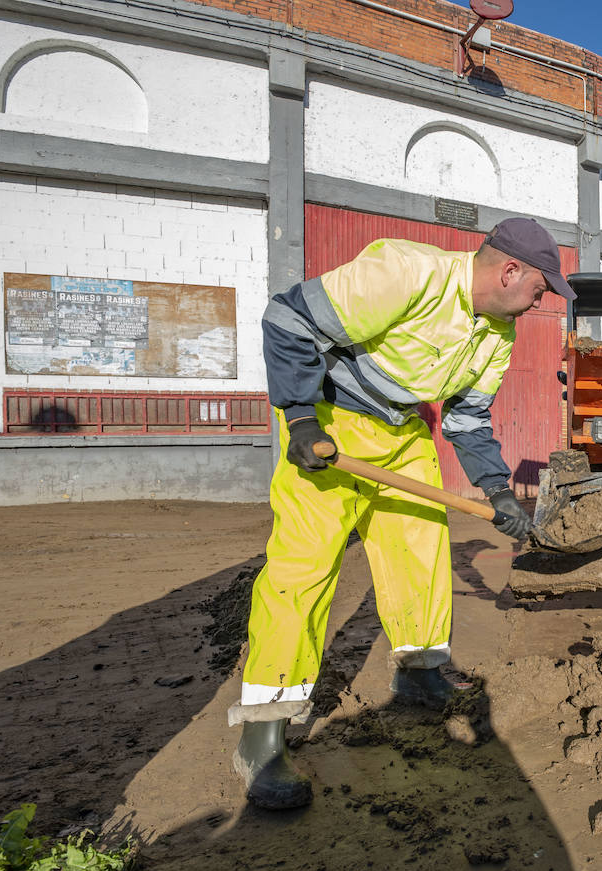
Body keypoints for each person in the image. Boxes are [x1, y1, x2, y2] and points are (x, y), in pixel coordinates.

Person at [228, 217, 576, 808]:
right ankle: (263, 732)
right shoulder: (407, 272)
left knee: (420, 550)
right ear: (509, 270)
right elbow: (288, 317)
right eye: (541, 289)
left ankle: (418, 672)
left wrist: (495, 492)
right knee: (302, 570)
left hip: (403, 431)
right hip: (333, 423)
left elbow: (465, 418)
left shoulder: (498, 333)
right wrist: (301, 417)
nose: (541, 303)